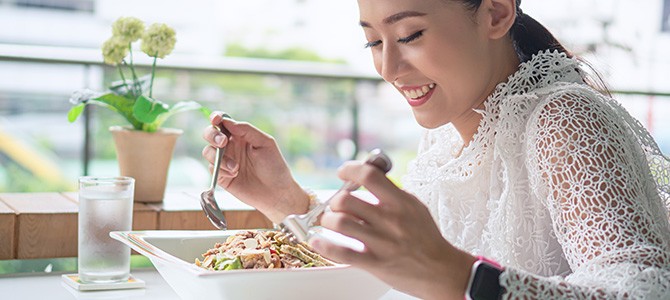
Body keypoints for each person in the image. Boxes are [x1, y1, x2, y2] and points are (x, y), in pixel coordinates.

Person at [202, 0, 670, 299]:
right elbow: (407, 264)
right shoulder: (448, 134)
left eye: (409, 35)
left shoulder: (564, 120)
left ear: (496, 13)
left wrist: (463, 277)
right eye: (373, 41)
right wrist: (286, 200)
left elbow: (643, 290)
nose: (388, 66)